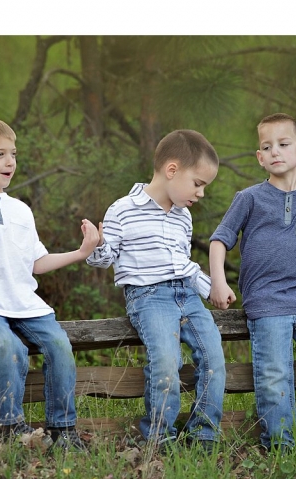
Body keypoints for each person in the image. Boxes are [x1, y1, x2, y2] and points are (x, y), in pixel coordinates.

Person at [0, 116, 102, 451]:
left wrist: (82, 252)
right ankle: (8, 428)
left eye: (13, 154)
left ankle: (62, 429)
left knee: (59, 345)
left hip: (26, 304)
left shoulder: (20, 210)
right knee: (8, 347)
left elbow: (37, 263)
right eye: (0, 154)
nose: (10, 162)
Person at [208, 113, 296, 451]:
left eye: (283, 144)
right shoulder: (250, 198)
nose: (275, 151)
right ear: (259, 157)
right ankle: (281, 445)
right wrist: (218, 282)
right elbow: (219, 240)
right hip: (265, 300)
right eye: (267, 147)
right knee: (275, 374)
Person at [85, 129, 226, 453]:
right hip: (149, 297)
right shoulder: (123, 209)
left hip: (187, 296)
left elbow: (182, 264)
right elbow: (104, 259)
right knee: (166, 360)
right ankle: (159, 436)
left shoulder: (183, 217)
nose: (201, 193)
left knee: (213, 358)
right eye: (198, 184)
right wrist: (96, 244)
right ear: (172, 170)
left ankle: (204, 435)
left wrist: (211, 289)